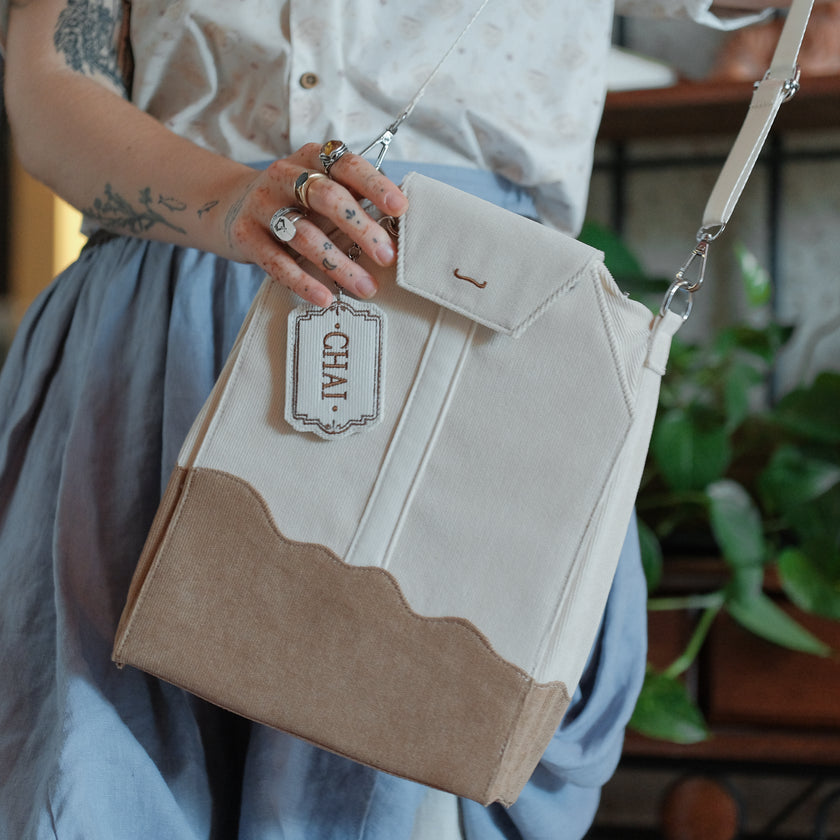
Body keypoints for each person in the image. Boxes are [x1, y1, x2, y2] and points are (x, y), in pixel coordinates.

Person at [0, 1, 780, 838]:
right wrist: (231, 200)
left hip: (473, 344)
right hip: (162, 325)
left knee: (426, 761)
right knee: (103, 778)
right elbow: (48, 83)